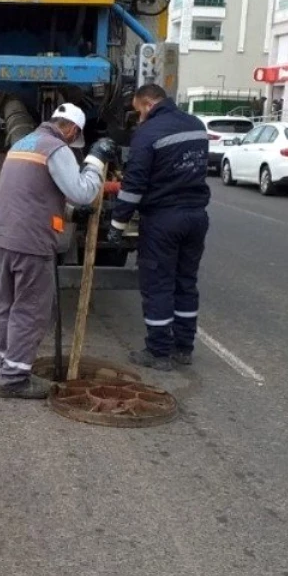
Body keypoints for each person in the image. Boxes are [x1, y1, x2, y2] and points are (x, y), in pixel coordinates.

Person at [0, 103, 118, 399]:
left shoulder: (23, 144)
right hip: (32, 242)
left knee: (7, 305)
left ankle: (6, 364)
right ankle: (13, 380)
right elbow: (83, 191)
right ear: (72, 129)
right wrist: (96, 160)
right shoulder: (55, 148)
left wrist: (71, 214)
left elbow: (34, 193)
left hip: (6, 236)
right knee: (30, 309)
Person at [109, 83, 210, 372]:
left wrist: (117, 223)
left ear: (148, 105)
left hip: (164, 220)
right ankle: (183, 348)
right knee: (185, 282)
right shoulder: (196, 125)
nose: (138, 117)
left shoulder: (148, 133)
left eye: (138, 110)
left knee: (158, 284)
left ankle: (158, 352)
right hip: (196, 217)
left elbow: (134, 185)